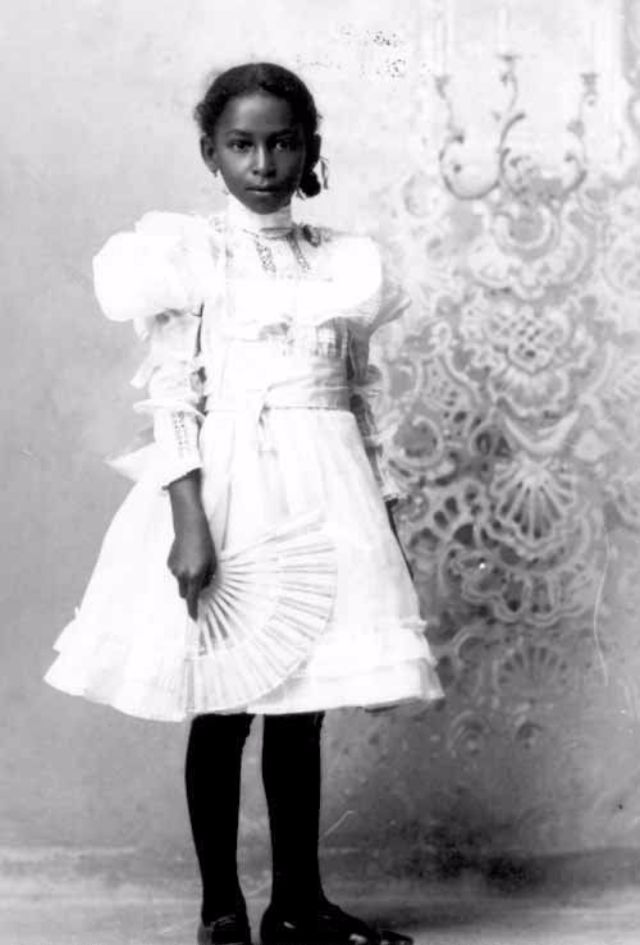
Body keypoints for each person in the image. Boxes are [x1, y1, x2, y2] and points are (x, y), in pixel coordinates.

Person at [45, 62, 443, 945]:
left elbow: (358, 401)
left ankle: (297, 904)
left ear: (309, 149)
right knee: (223, 704)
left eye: (282, 143)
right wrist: (190, 523)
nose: (263, 164)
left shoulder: (344, 262)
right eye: (242, 145)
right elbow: (174, 397)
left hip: (325, 488)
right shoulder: (189, 254)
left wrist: (382, 517)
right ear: (211, 153)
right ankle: (221, 906)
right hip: (227, 490)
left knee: (301, 711)